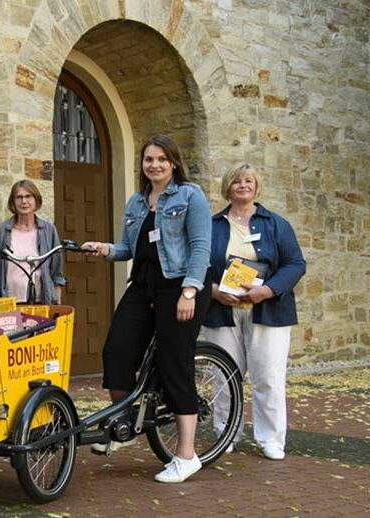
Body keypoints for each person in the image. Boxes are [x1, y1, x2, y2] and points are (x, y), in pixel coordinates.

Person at [80, 134, 212, 484]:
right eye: (148, 159)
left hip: (180, 285)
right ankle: (125, 421)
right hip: (143, 285)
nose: (154, 165)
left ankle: (186, 455)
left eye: (161, 159)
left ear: (173, 163)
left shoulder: (189, 195)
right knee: (117, 350)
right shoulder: (138, 201)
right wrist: (105, 249)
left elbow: (201, 246)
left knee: (174, 362)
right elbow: (129, 247)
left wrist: (189, 291)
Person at [202, 164, 306, 461]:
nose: (242, 185)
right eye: (236, 180)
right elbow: (196, 263)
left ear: (256, 187)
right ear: (227, 187)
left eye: (248, 180)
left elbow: (296, 264)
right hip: (222, 309)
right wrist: (212, 290)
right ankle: (226, 433)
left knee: (268, 376)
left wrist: (269, 289)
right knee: (224, 375)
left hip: (268, 309)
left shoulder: (276, 224)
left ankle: (270, 438)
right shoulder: (212, 225)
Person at [0, 179, 67, 304]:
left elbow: (56, 273)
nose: (24, 201)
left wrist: (57, 305)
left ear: (36, 199)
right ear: (13, 202)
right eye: (19, 197)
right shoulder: (1, 231)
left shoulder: (48, 231)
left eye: (28, 196)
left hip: (41, 301)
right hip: (8, 302)